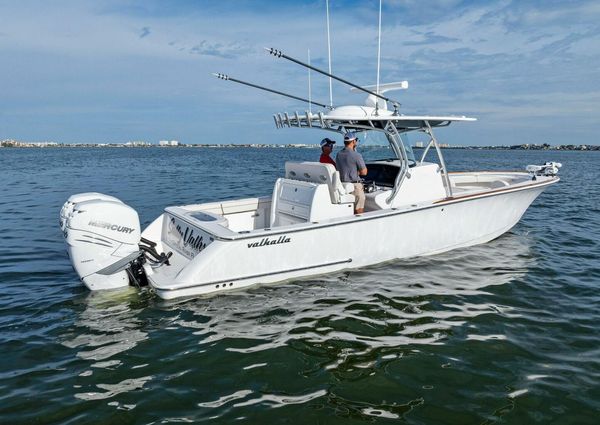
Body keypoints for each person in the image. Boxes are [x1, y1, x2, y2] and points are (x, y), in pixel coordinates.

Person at [336, 132, 368, 214]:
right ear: (353, 141)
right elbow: (364, 172)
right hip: (355, 187)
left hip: (343, 186)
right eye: (356, 140)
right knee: (359, 211)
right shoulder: (356, 155)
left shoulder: (338, 154)